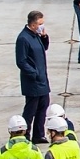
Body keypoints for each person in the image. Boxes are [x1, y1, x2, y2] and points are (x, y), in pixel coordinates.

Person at [16, 10, 51, 144]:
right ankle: (25, 134)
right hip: (33, 81)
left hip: (42, 79)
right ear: (33, 24)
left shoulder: (36, 35)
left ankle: (39, 134)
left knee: (43, 107)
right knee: (30, 110)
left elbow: (44, 48)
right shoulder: (23, 38)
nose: (42, 26)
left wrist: (44, 37)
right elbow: (21, 61)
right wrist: (34, 73)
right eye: (40, 24)